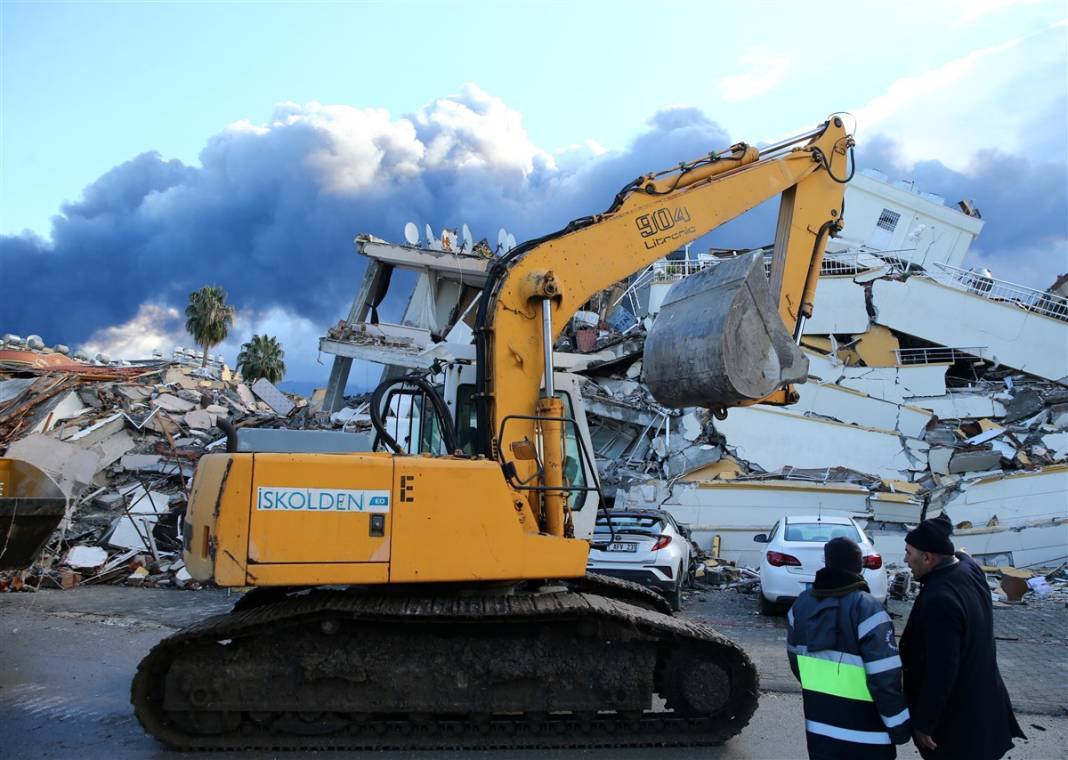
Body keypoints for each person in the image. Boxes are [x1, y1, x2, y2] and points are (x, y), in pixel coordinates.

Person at [901, 513, 1025, 759]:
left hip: (958, 722)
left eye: (909, 553)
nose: (905, 559)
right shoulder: (969, 571)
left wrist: (924, 723)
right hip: (986, 707)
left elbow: (942, 669)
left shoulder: (940, 599)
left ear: (928, 558)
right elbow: (963, 556)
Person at [787, 536, 911, 759]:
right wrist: (900, 727)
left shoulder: (800, 605)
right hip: (868, 738)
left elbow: (796, 663)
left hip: (819, 731)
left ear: (827, 562)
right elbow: (885, 680)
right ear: (858, 566)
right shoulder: (868, 609)